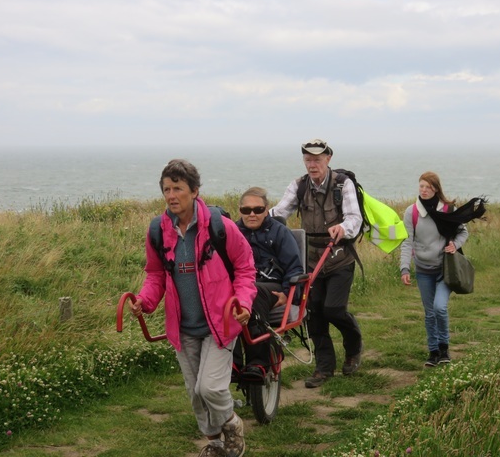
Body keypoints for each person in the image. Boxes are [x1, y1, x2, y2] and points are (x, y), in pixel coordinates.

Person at [128, 159, 256, 457]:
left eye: (178, 189)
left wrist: (244, 303)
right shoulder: (158, 231)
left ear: (195, 191)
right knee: (194, 394)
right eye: (166, 189)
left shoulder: (219, 226)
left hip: (221, 322)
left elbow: (246, 268)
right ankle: (216, 442)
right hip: (183, 326)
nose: (171, 195)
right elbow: (156, 274)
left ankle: (232, 425)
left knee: (209, 388)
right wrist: (143, 302)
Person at [271, 139, 364, 388]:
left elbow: (355, 218)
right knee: (312, 314)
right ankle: (324, 368)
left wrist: (342, 227)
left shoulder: (344, 184)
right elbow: (280, 212)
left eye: (317, 160)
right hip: (310, 261)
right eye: (308, 160)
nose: (312, 165)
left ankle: (354, 346)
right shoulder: (299, 186)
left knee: (333, 309)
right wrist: (256, 216)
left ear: (328, 160)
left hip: (340, 258)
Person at [399, 171, 486, 368]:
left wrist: (454, 245)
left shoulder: (448, 210)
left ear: (436, 189)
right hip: (422, 270)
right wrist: (404, 268)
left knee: (440, 307)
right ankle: (433, 351)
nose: (424, 190)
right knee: (429, 313)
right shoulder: (411, 212)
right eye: (421, 186)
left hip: (445, 269)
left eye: (428, 187)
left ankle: (444, 348)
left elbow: (463, 231)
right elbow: (407, 242)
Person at [235, 186, 304, 381]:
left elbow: (295, 268)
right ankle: (233, 364)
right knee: (223, 299)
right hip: (240, 285)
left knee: (252, 293)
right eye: (246, 210)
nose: (252, 214)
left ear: (266, 210)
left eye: (257, 209)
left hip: (269, 286)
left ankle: (258, 363)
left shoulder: (280, 232)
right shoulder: (231, 233)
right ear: (240, 210)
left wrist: (287, 293)